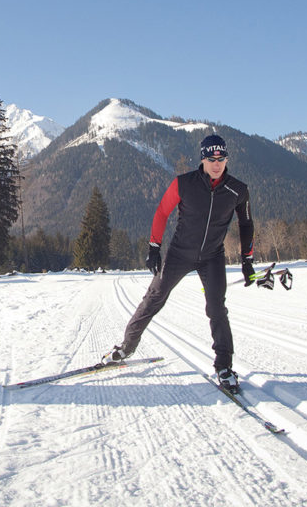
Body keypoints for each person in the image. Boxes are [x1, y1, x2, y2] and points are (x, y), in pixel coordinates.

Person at [102, 134, 256, 393]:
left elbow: (247, 224)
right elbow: (162, 212)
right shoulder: (184, 184)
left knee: (217, 308)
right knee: (154, 297)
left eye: (221, 159)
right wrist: (154, 247)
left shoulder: (238, 190)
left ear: (227, 158)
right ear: (203, 159)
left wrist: (247, 260)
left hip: (213, 256)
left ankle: (224, 366)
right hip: (178, 254)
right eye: (211, 159)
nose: (216, 164)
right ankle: (126, 347)